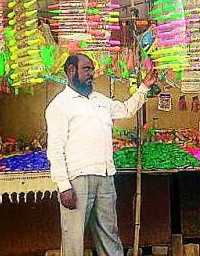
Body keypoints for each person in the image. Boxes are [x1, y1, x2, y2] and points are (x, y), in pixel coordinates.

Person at [45, 53, 156, 256]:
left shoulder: (99, 100)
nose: (91, 74)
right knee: (74, 239)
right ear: (71, 71)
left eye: (92, 70)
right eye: (86, 69)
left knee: (109, 233)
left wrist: (144, 87)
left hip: (105, 176)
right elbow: (55, 148)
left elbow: (125, 110)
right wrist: (63, 186)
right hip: (78, 179)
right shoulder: (59, 105)